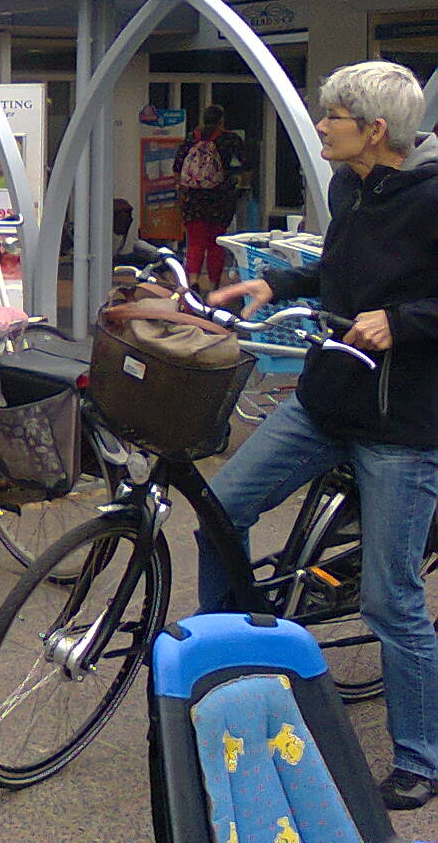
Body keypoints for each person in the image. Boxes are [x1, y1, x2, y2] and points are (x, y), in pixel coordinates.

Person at [201, 61, 438, 812]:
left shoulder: (433, 197)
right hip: (325, 399)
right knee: (217, 510)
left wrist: (405, 322)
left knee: (390, 601)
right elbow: (339, 270)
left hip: (401, 426)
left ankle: (420, 758)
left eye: (333, 115)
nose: (321, 125)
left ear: (374, 130)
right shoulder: (350, 187)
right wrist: (281, 282)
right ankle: (229, 661)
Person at [173, 104, 244, 293]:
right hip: (221, 198)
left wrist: (182, 189)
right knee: (215, 243)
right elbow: (248, 164)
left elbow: (177, 166)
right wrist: (241, 183)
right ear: (221, 120)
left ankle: (193, 280)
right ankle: (213, 285)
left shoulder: (191, 138)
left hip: (193, 199)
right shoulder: (230, 139)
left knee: (195, 242)